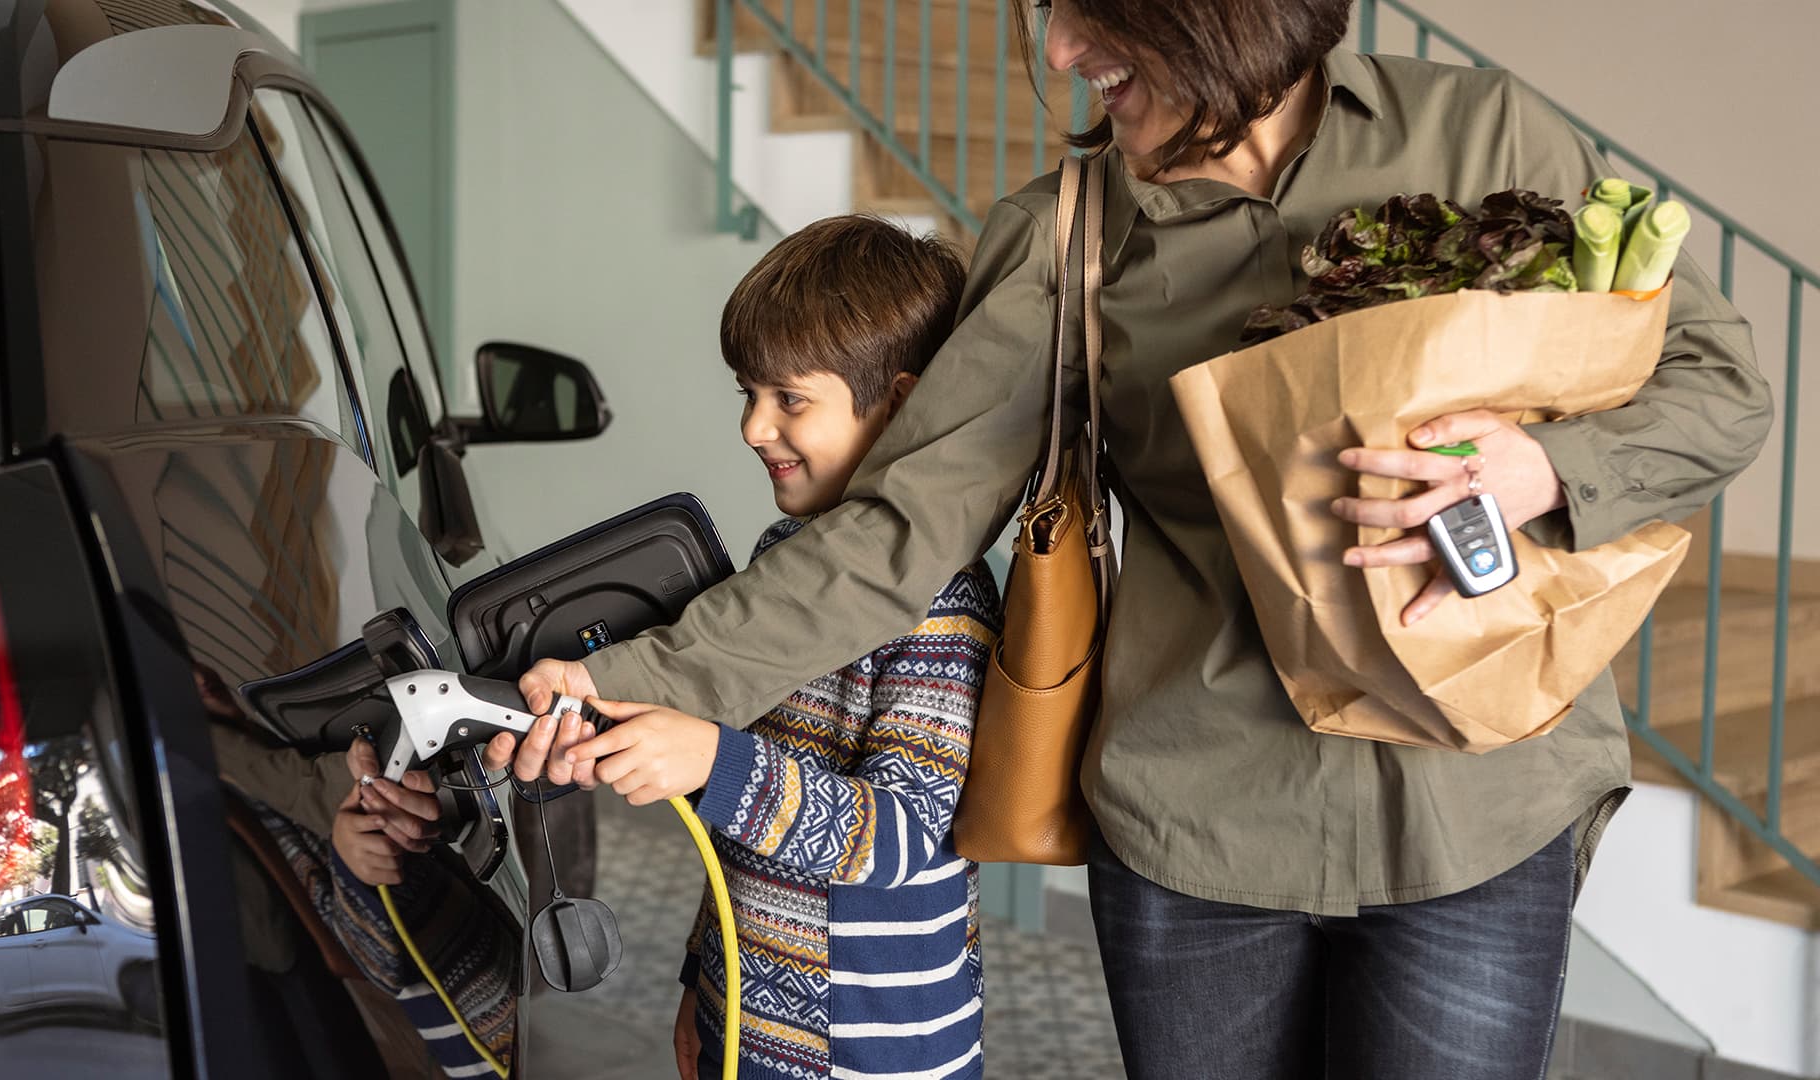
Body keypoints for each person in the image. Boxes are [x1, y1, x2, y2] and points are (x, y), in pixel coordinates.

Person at [490, 2, 1772, 1077]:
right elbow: (898, 530)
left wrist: (1541, 463)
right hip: (1197, 832)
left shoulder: (1484, 130)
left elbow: (1716, 378)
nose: (1058, 50)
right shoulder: (1065, 236)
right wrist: (624, 680)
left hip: (1481, 804)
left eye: (1090, 8)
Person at [548, 215, 1000, 1080]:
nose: (755, 427)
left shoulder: (942, 600)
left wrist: (716, 762)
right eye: (747, 395)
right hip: (750, 1021)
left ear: (900, 406)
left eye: (789, 399)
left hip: (872, 1050)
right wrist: (704, 978)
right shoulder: (779, 562)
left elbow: (901, 836)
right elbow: (746, 843)